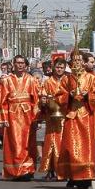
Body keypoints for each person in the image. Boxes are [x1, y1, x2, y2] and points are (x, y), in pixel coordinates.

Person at [56, 53, 95, 189]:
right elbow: (59, 95)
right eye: (74, 60)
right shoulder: (67, 78)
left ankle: (85, 177)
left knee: (85, 148)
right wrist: (69, 95)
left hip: (85, 117)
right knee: (70, 147)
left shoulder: (91, 78)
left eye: (79, 60)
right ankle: (72, 176)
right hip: (71, 117)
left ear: (83, 62)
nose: (76, 63)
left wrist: (88, 95)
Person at [0, 55, 40, 181]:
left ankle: (28, 169)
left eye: (22, 63)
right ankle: (16, 170)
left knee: (28, 143)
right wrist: (2, 118)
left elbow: (36, 100)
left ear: (26, 65)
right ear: (13, 64)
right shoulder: (6, 80)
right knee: (15, 143)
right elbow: (2, 100)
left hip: (28, 115)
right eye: (17, 63)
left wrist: (37, 118)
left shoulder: (31, 80)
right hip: (12, 116)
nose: (20, 65)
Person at [37, 53, 67, 181]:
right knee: (50, 144)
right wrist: (44, 101)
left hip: (65, 117)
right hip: (51, 117)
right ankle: (50, 170)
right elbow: (42, 97)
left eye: (61, 67)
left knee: (64, 144)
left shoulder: (68, 80)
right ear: (53, 67)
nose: (59, 69)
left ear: (64, 68)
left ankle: (64, 171)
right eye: (57, 67)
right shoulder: (48, 82)